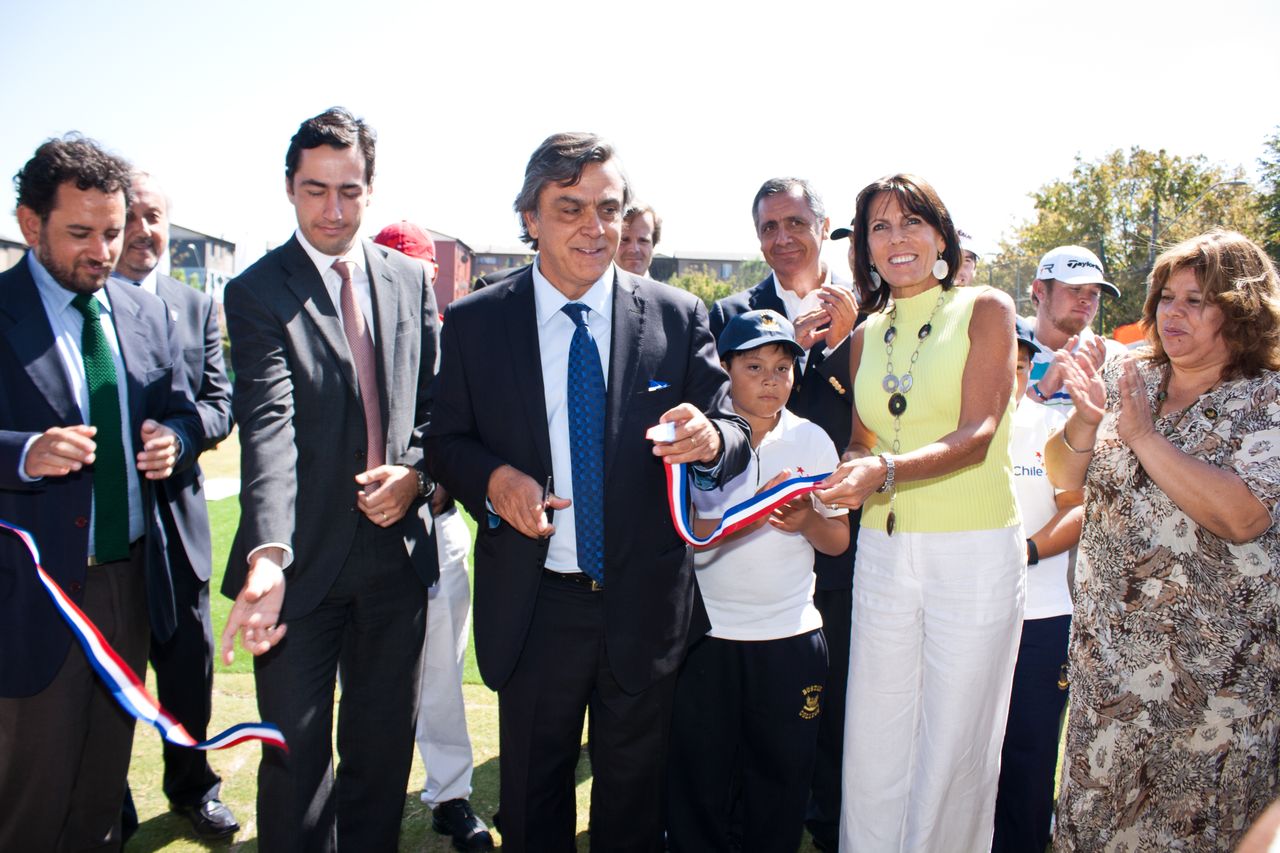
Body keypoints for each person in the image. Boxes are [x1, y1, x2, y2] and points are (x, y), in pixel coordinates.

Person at [426, 131, 751, 852]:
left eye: (607, 208)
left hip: (645, 604)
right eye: (569, 208)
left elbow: (732, 430)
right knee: (534, 804)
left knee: (633, 810)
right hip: (536, 602)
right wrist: (492, 479)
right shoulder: (478, 322)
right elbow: (445, 441)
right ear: (530, 217)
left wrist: (712, 437)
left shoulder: (674, 314)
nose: (594, 227)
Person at [219, 108, 440, 852]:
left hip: (397, 559)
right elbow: (269, 433)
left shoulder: (411, 279)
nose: (333, 210)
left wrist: (414, 476)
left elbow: (440, 413)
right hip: (300, 565)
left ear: (371, 190)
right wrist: (267, 556)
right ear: (289, 188)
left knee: (380, 756)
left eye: (350, 190)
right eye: (316, 190)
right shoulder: (254, 293)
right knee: (295, 762)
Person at [1046, 229, 1280, 851]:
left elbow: (1245, 517)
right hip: (1109, 669)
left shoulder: (1267, 401)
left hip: (1212, 685)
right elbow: (1065, 480)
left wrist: (1147, 437)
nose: (1172, 313)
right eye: (1166, 298)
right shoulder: (1131, 373)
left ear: (1241, 309)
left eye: (1195, 300)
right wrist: (1086, 423)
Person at [0, 135, 200, 850]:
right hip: (33, 592)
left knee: (101, 786)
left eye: (112, 232)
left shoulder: (145, 313)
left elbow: (183, 406)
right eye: (80, 233)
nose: (105, 250)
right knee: (32, 790)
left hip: (128, 583)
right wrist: (24, 452)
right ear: (30, 224)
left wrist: (174, 437)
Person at [814, 173, 1023, 851]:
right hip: (881, 551)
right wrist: (850, 469)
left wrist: (887, 470)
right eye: (879, 227)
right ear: (865, 248)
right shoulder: (866, 334)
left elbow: (979, 431)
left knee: (955, 738)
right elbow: (864, 437)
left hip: (974, 550)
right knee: (874, 735)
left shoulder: (985, 308)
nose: (896, 238)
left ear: (941, 234)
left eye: (911, 223)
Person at [711, 177, 859, 852]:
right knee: (737, 733)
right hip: (747, 556)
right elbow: (716, 403)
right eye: (768, 227)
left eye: (794, 222)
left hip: (834, 535)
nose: (781, 237)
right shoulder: (734, 309)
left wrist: (839, 345)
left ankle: (822, 826)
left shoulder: (866, 308)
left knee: (822, 717)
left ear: (822, 226)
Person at [666, 309, 849, 853]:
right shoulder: (699, 439)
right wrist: (722, 525)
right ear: (724, 369)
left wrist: (807, 520)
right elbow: (677, 529)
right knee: (702, 782)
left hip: (789, 637)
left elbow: (838, 541)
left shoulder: (813, 439)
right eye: (754, 367)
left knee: (780, 782)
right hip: (710, 637)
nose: (772, 381)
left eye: (783, 367)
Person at [110, 171, 239, 841]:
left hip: (179, 527)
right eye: (129, 216)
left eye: (154, 215)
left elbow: (221, 405)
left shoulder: (195, 307)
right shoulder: (85, 302)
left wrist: (183, 436)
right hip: (106, 536)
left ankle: (193, 787)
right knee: (109, 677)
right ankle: (109, 798)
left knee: (187, 671)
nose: (144, 230)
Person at [371, 220, 494, 852]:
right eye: (393, 264)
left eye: (419, 269)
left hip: (437, 527)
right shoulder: (352, 333)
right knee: (365, 679)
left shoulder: (456, 340)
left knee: (442, 670)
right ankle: (369, 793)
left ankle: (449, 794)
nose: (408, 279)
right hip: (362, 537)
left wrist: (427, 481)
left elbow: (466, 449)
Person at [990, 318, 1081, 853]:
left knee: (1029, 749)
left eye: (1020, 367)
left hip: (1041, 615)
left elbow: (1077, 508)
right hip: (966, 611)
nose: (1011, 378)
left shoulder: (1053, 427)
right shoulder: (951, 428)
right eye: (1001, 366)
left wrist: (1027, 552)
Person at [1024, 245, 1126, 408]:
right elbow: (994, 426)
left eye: (1094, 292)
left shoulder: (1116, 358)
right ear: (1040, 290)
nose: (1086, 299)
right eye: (1075, 288)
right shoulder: (1007, 351)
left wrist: (1101, 386)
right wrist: (1042, 390)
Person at [616, 202, 660, 277]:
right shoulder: (592, 288)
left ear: (653, 245)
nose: (634, 249)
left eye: (643, 240)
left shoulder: (665, 289)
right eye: (624, 240)